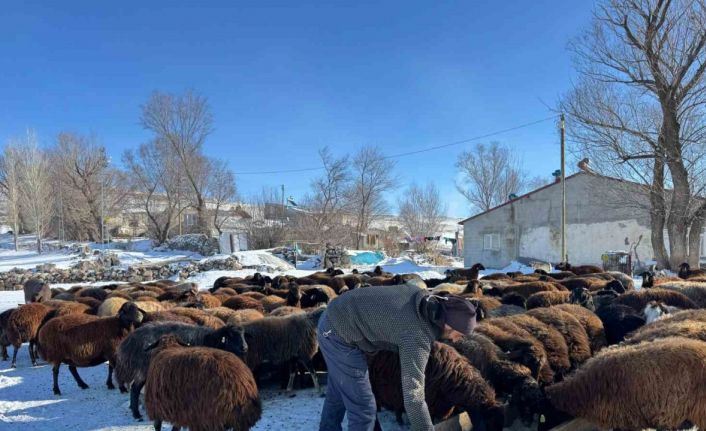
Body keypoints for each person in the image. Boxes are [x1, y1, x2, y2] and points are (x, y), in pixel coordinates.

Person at [317, 283, 478, 431]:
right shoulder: (416, 336)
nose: (458, 340)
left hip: (335, 316)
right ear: (449, 324)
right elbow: (413, 397)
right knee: (363, 408)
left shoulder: (421, 296)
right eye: (460, 334)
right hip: (338, 333)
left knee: (338, 391)